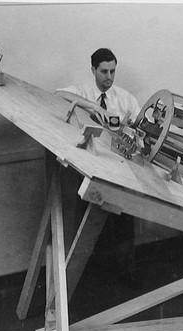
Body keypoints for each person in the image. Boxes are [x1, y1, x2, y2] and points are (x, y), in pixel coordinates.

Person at [56, 48, 141, 288]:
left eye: (113, 71)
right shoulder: (82, 92)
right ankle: (88, 279)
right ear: (93, 70)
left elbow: (141, 130)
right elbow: (57, 93)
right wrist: (95, 108)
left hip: (120, 170)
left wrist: (130, 130)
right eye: (104, 71)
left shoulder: (126, 100)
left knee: (123, 222)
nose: (109, 77)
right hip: (88, 168)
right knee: (87, 221)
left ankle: (127, 276)